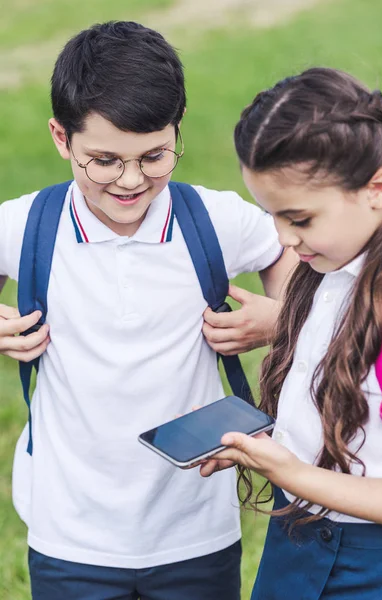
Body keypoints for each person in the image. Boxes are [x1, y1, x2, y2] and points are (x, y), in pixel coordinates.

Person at [0, 21, 296, 600]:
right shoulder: (24, 224)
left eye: (154, 156)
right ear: (62, 139)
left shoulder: (216, 219)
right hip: (69, 532)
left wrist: (281, 318)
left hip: (196, 527)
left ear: (176, 132)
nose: (132, 180)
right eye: (104, 160)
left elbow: (298, 256)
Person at [202, 67, 382, 598]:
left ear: (378, 188)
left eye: (300, 218)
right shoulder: (334, 268)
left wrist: (292, 473)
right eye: (273, 218)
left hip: (374, 559)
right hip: (298, 537)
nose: (286, 240)